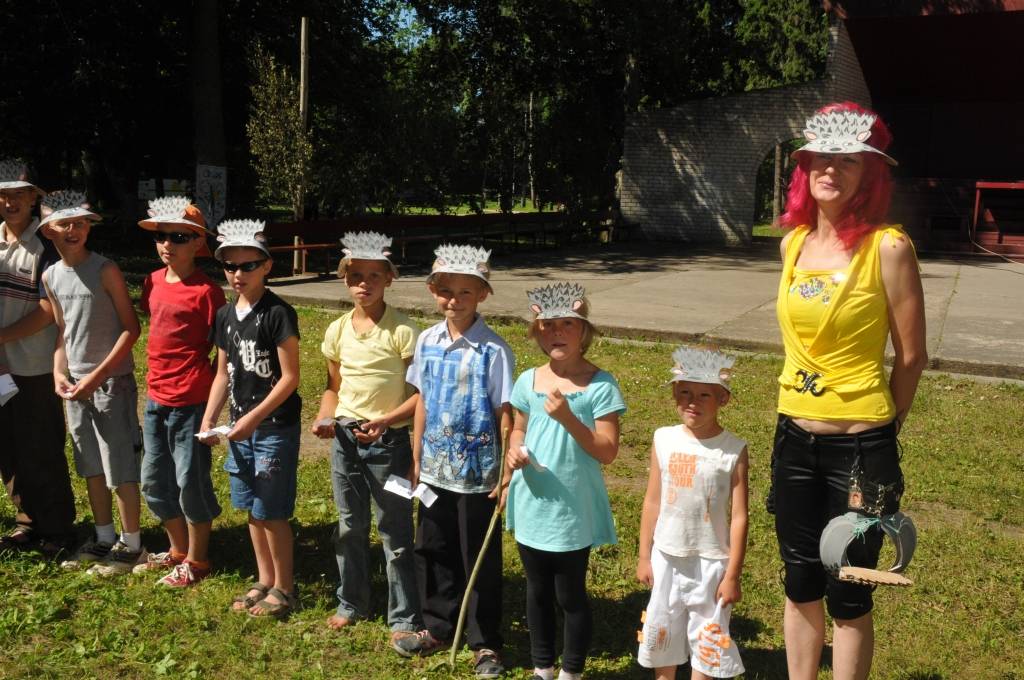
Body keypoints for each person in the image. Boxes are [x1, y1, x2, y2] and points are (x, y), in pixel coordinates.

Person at [770, 102, 926, 680]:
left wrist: (884, 429)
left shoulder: (888, 247)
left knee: (850, 590)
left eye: (847, 161)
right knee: (800, 579)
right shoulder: (792, 246)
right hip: (793, 439)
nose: (829, 170)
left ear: (869, 174)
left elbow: (911, 357)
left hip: (861, 448)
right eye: (818, 159)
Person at [504, 282, 626, 680]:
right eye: (547, 326)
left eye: (566, 325)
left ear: (583, 331)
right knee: (536, 591)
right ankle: (542, 667)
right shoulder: (528, 380)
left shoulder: (600, 384)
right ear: (536, 333)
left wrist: (569, 419)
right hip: (533, 502)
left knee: (569, 594)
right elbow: (518, 429)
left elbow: (607, 450)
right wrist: (513, 451)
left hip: (573, 507)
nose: (556, 333)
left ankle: (571, 671)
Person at [311, 232, 424, 655]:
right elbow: (332, 386)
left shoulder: (403, 331)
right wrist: (326, 417)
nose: (364, 283)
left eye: (374, 275)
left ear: (389, 279)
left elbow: (419, 397)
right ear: (345, 280)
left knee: (394, 530)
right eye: (356, 275)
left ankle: (404, 615)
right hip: (346, 440)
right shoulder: (337, 330)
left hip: (388, 442)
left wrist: (386, 420)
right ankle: (352, 601)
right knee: (348, 525)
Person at [406, 244, 514, 678]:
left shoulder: (493, 350)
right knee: (433, 548)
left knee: (477, 558)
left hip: (477, 474)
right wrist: (415, 457)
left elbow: (505, 412)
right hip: (433, 469)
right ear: (434, 291)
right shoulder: (427, 341)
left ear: (483, 295)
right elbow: (421, 401)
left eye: (465, 292)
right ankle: (436, 625)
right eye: (445, 291)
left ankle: (484, 642)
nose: (454, 300)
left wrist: (504, 471)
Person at [199, 219, 301, 620]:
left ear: (267, 267)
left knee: (271, 511)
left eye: (248, 266)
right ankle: (264, 579)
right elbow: (222, 373)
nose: (238, 274)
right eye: (230, 266)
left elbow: (290, 378)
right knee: (251, 509)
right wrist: (210, 419)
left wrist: (255, 419)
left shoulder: (278, 313)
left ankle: (286, 588)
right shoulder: (225, 315)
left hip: (272, 428)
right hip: (238, 429)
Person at [39, 191, 145, 575]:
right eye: (65, 223)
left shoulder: (105, 269)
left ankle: (132, 544)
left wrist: (96, 376)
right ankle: (103, 537)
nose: (74, 229)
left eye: (81, 222)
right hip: (75, 388)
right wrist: (58, 372)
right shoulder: (51, 276)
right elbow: (63, 332)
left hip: (110, 384)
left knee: (119, 465)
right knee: (89, 465)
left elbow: (131, 329)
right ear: (49, 230)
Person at [636, 346, 748, 680]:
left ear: (723, 399)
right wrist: (645, 555)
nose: (692, 402)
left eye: (703, 395)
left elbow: (740, 515)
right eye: (684, 392)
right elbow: (652, 500)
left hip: (712, 561)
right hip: (667, 555)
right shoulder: (664, 439)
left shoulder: (733, 450)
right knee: (662, 630)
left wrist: (732, 574)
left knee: (708, 638)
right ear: (674, 394)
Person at [134, 197, 225, 586]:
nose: (168, 243)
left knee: (191, 480)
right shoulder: (152, 281)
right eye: (162, 236)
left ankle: (199, 560)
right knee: (154, 478)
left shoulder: (207, 291)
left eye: (178, 237)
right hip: (155, 398)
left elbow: (220, 349)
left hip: (191, 400)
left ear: (197, 243)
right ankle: (177, 549)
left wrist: (212, 411)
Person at [0, 161, 77, 558]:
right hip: (0, 367)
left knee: (41, 446)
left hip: (33, 364)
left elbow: (49, 309)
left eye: (18, 194)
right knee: (7, 448)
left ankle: (58, 527)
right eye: (3, 194)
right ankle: (27, 522)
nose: (10, 201)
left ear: (34, 198)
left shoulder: (46, 243)